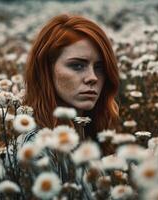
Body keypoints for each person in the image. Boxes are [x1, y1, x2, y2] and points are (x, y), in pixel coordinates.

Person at [17, 13, 120, 199]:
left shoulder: (90, 137)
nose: (93, 77)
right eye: (77, 66)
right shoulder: (35, 150)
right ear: (46, 70)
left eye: (100, 67)